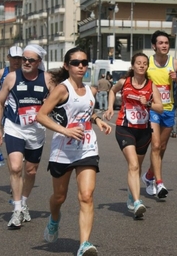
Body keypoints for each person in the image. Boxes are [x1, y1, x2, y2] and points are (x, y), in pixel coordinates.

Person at [36, 47, 111, 255]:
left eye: (84, 63)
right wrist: (64, 130)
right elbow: (41, 115)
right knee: (59, 197)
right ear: (67, 66)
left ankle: (84, 244)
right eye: (76, 63)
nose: (81, 66)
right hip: (63, 149)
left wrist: (97, 121)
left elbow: (87, 112)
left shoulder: (90, 90)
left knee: (86, 195)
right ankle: (54, 218)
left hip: (87, 147)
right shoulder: (62, 89)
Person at [0, 44, 54, 229]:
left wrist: (48, 104)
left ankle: (24, 202)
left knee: (31, 171)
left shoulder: (47, 79)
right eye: (24, 59)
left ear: (39, 62)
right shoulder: (11, 77)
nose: (25, 62)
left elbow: (58, 101)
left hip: (36, 130)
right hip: (14, 127)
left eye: (30, 60)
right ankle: (17, 209)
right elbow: (0, 103)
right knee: (16, 167)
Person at [104, 52, 163, 219]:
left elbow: (161, 108)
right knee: (133, 165)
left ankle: (132, 195)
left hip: (143, 130)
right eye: (138, 63)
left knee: (138, 167)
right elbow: (111, 90)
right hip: (125, 127)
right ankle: (137, 202)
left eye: (145, 63)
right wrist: (110, 108)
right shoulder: (124, 82)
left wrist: (149, 103)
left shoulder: (151, 86)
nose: (142, 65)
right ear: (133, 65)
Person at [141, 30, 177, 198]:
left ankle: (148, 176)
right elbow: (137, 80)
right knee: (155, 145)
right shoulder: (148, 63)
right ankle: (159, 183)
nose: (164, 45)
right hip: (153, 108)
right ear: (154, 46)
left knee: (162, 147)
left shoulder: (174, 63)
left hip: (168, 109)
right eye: (161, 43)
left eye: (166, 43)